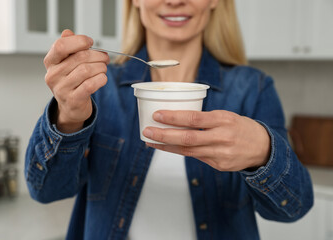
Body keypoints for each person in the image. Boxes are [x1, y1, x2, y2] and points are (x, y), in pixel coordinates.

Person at [25, 0, 314, 239]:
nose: (175, 1)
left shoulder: (253, 89)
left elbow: (294, 208)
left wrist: (264, 153)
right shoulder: (97, 87)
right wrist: (68, 118)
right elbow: (45, 191)